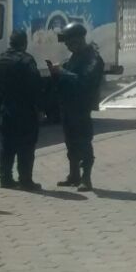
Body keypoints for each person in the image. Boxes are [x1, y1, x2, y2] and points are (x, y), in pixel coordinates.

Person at [47, 22, 104, 191]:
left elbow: (84, 82)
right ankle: (74, 175)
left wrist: (62, 72)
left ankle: (86, 178)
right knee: (71, 142)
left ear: (79, 40)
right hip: (68, 106)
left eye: (70, 43)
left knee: (84, 142)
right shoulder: (75, 57)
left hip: (81, 106)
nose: (68, 46)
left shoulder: (93, 58)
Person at [0, 29, 42, 190]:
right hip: (25, 110)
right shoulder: (27, 61)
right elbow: (36, 86)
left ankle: (5, 178)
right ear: (24, 43)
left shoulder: (0, 59)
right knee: (26, 146)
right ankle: (25, 180)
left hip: (6, 108)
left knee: (7, 145)